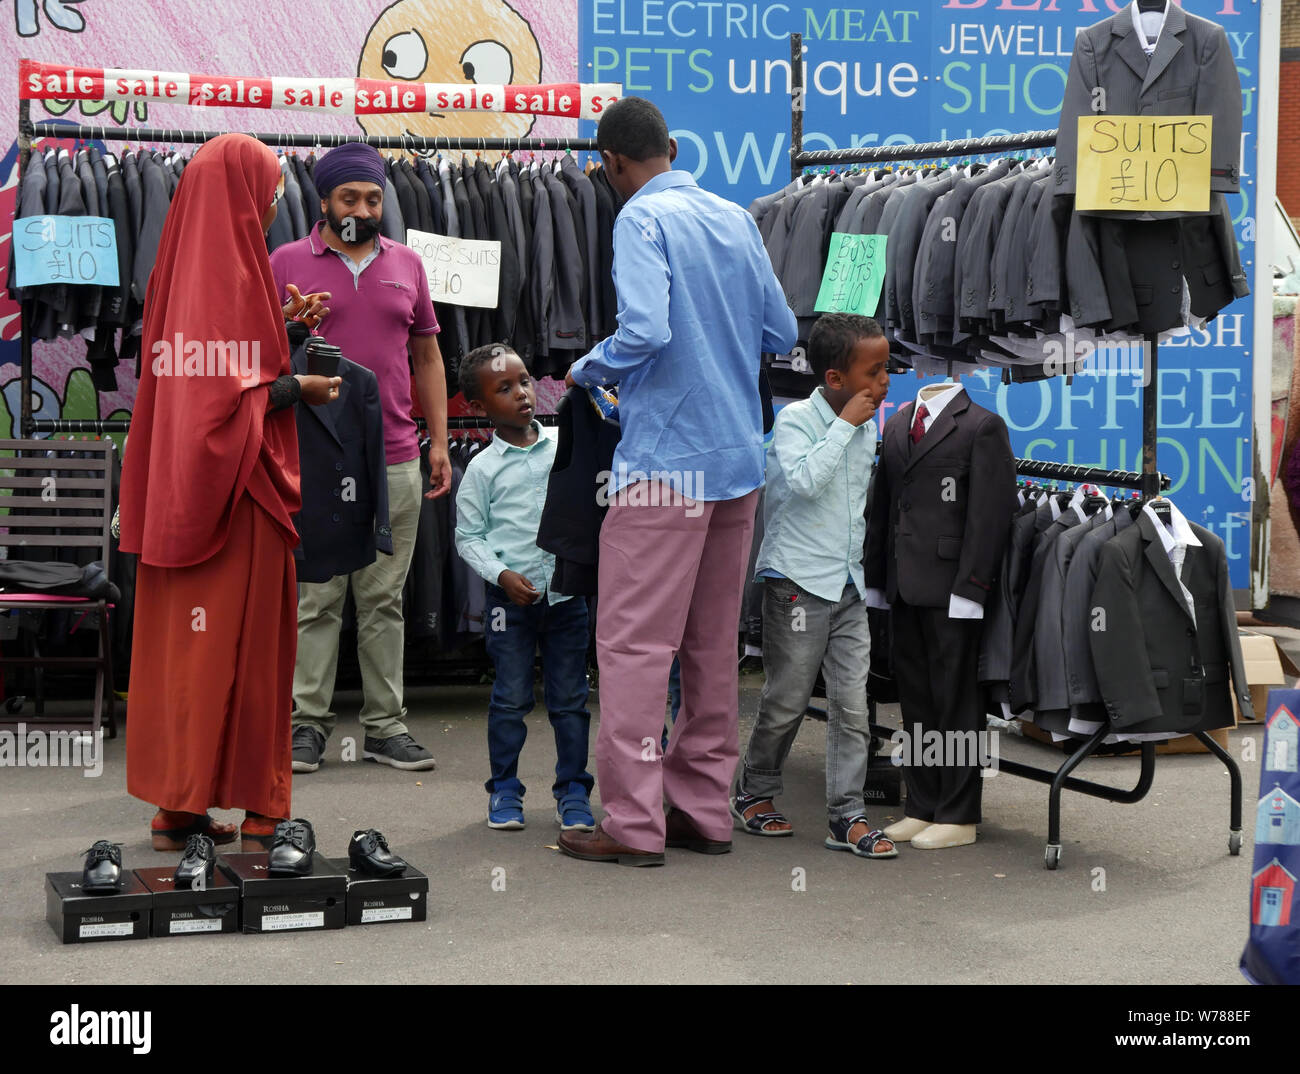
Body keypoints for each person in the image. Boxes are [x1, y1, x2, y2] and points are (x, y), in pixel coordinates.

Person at [559, 97, 798, 866]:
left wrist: (586, 368)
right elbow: (782, 334)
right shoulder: (733, 217)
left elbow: (648, 329)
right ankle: (702, 810)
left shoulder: (639, 220)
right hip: (735, 461)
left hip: (665, 465)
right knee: (710, 645)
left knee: (633, 646)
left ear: (613, 165)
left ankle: (631, 825)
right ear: (671, 146)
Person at [119, 133, 340, 851]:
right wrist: (296, 386)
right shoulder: (237, 273)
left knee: (187, 653)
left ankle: (176, 807)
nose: (275, 202)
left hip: (183, 497)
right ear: (244, 194)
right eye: (270, 190)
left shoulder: (178, 268)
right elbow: (225, 400)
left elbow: (201, 376)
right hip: (238, 498)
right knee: (248, 649)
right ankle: (262, 809)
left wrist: (282, 328)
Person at [269, 143, 452, 775]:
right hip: (312, 456)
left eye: (373, 198)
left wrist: (440, 442)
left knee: (383, 598)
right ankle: (306, 725)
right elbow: (261, 358)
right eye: (350, 198)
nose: (363, 209)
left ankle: (385, 726)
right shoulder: (285, 262)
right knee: (317, 596)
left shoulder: (408, 264)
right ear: (323, 201)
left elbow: (427, 357)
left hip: (397, 453)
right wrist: (288, 327)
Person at [733, 313, 897, 859]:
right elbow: (804, 482)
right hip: (797, 583)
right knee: (787, 699)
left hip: (848, 583)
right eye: (874, 372)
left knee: (854, 705)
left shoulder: (866, 420)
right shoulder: (797, 420)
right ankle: (754, 792)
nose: (883, 382)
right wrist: (845, 424)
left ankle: (847, 816)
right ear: (834, 379)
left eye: (887, 369)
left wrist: (855, 422)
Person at [454, 344, 595, 832]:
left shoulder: (563, 444)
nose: (522, 395)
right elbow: (468, 537)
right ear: (477, 407)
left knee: (571, 699)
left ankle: (574, 791)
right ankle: (505, 791)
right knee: (511, 698)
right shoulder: (481, 469)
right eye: (505, 388)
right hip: (508, 605)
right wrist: (501, 576)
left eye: (526, 382)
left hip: (567, 597)